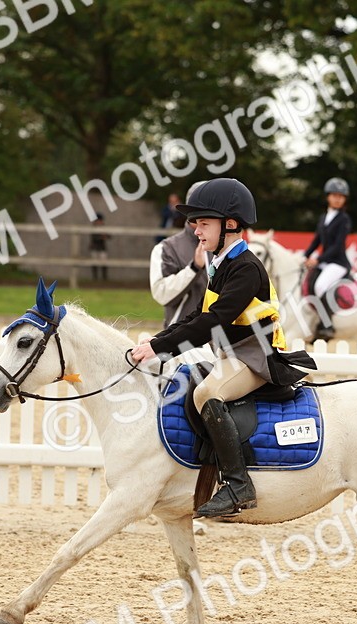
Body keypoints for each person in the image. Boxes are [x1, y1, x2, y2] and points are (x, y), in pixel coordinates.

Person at [131, 178, 317, 518]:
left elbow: (213, 322)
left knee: (207, 393)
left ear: (229, 224)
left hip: (255, 357)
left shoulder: (246, 268)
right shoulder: (222, 264)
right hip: (233, 353)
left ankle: (238, 485)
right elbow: (196, 315)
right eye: (196, 224)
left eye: (203, 223)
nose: (196, 230)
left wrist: (161, 347)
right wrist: (158, 341)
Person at [302, 177, 354, 340]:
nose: (337, 199)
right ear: (328, 197)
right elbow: (317, 240)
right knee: (308, 281)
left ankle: (327, 325)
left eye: (341, 196)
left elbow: (338, 246)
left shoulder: (344, 219)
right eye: (334, 195)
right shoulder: (324, 217)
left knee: (320, 286)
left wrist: (318, 259)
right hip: (326, 262)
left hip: (338, 263)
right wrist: (305, 255)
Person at [149, 183, 208, 326]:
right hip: (182, 336)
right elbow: (161, 293)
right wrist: (194, 268)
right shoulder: (166, 249)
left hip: (222, 337)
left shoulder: (229, 247)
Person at [89, 213, 110, 281]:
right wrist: (102, 237)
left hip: (102, 248)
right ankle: (95, 278)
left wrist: (105, 236)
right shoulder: (93, 228)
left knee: (104, 263)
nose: (99, 222)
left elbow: (109, 236)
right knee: (94, 263)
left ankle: (104, 278)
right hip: (95, 248)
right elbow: (95, 237)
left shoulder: (104, 228)